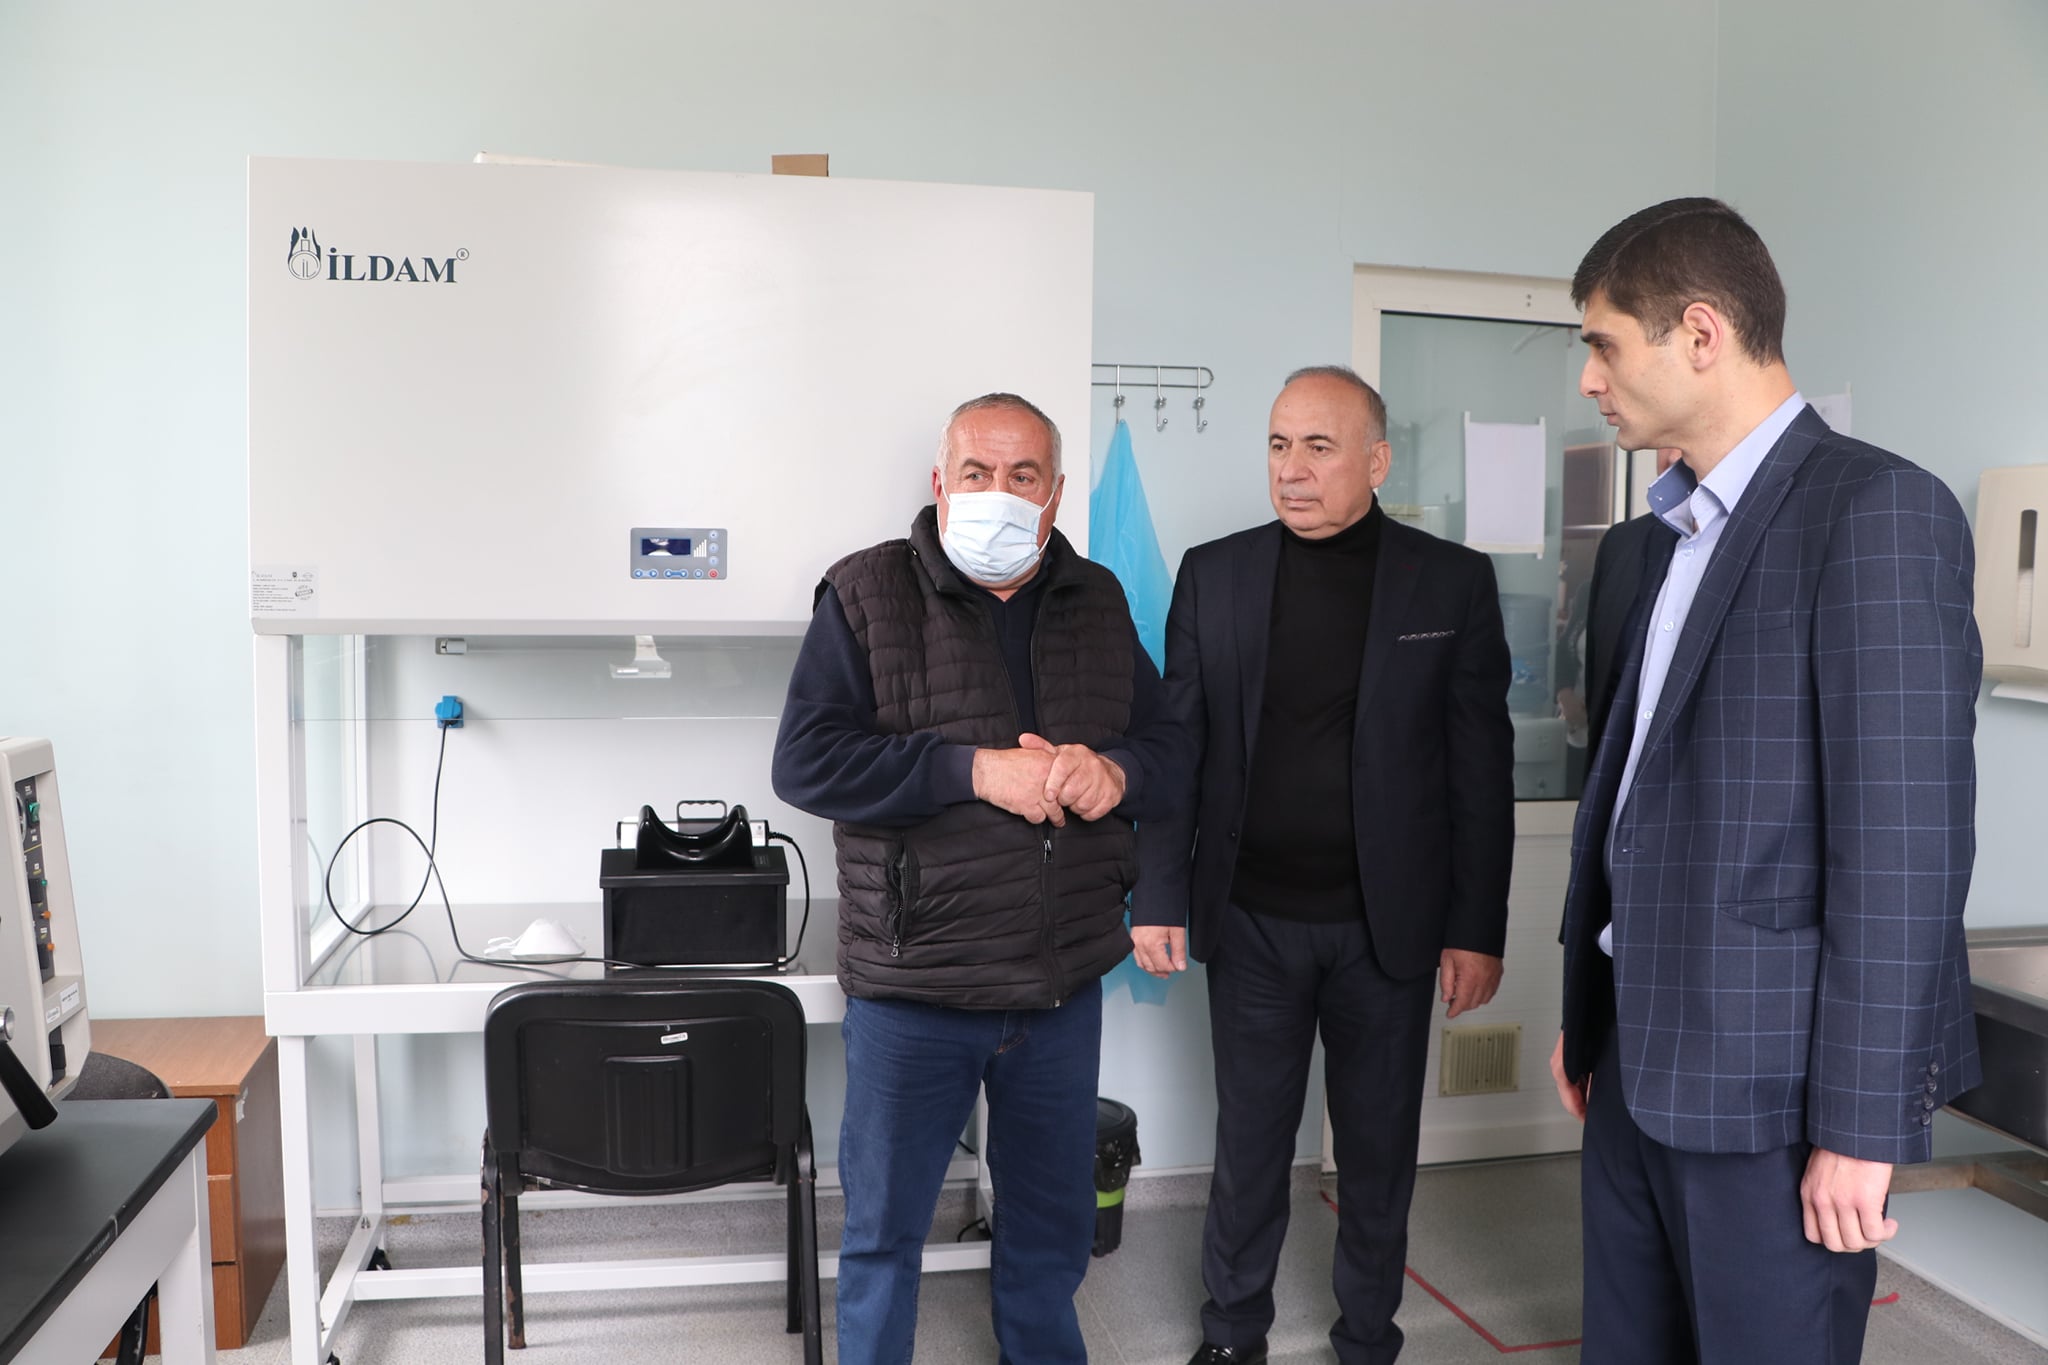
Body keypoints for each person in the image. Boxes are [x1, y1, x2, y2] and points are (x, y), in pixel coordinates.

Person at [1548, 198, 1983, 1365]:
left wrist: (1860, 1124)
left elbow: (1902, 849)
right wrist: (1588, 1014)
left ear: (1698, 333)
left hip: (1772, 1095)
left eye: (1602, 345)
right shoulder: (1658, 538)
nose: (1588, 380)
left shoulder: (1872, 511)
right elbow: (1634, 798)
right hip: (1635, 1056)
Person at [772, 391, 1189, 1365]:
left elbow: (1170, 749)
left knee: (1049, 1235)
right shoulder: (865, 594)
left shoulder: (1097, 601)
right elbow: (806, 762)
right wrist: (971, 770)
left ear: (1053, 496)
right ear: (940, 482)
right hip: (916, 988)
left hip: (1057, 990)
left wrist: (1115, 771)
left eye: (1022, 475)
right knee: (884, 1237)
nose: (997, 491)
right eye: (976, 472)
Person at [1134, 365, 1516, 1365]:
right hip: (1251, 922)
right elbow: (1178, 749)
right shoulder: (1214, 574)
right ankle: (1231, 1336)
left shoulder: (1448, 582)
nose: (1291, 470)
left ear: (1376, 461)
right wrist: (1157, 892)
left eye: (1318, 446)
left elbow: (1480, 773)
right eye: (1277, 445)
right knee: (1250, 1146)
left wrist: (1475, 928)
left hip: (1385, 932)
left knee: (1378, 1154)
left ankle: (1367, 1338)